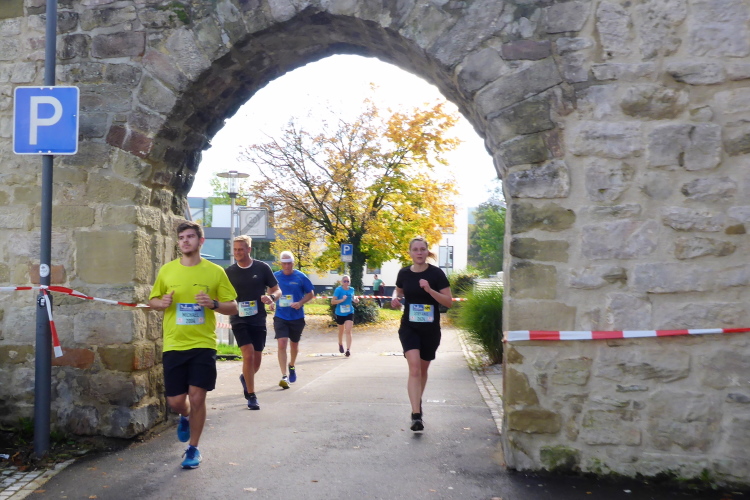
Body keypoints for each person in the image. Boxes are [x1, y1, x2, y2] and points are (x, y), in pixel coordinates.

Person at [148, 221, 238, 469]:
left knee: (198, 397)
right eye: (181, 237)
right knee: (176, 402)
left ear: (201, 241)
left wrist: (214, 304)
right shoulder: (167, 271)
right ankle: (185, 416)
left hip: (203, 343)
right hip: (174, 344)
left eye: (190, 236)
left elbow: (233, 306)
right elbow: (152, 300)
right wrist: (161, 303)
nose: (185, 241)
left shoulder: (215, 272)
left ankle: (193, 449)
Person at [391, 236, 452, 432]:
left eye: (422, 249)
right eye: (415, 249)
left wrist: (429, 289)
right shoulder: (404, 273)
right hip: (409, 327)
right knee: (415, 368)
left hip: (430, 329)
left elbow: (448, 302)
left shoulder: (436, 274)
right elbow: (399, 291)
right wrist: (395, 299)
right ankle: (416, 414)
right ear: (410, 253)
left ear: (427, 252)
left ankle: (417, 403)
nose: (419, 252)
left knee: (423, 370)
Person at [224, 235, 281, 410]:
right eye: (235, 250)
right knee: (248, 354)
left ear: (249, 249)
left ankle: (246, 377)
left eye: (241, 249)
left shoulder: (262, 268)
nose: (237, 252)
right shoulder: (229, 272)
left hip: (258, 318)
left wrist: (271, 297)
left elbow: (277, 290)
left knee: (256, 360)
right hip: (238, 318)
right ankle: (251, 395)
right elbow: (221, 294)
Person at [273, 251, 315, 389]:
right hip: (281, 315)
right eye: (284, 263)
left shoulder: (300, 277)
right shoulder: (275, 276)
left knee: (294, 345)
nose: (286, 266)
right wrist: (272, 301)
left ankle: (291, 365)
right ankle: (284, 375)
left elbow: (310, 293)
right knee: (282, 344)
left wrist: (300, 303)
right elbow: (270, 290)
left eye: (289, 263)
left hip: (296, 316)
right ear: (281, 263)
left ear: (293, 263)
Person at [331, 274, 359, 357]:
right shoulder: (338, 290)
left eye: (348, 281)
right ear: (342, 282)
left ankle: (348, 350)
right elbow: (333, 301)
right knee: (341, 331)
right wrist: (342, 300)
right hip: (340, 313)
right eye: (345, 281)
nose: (346, 282)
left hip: (349, 312)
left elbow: (353, 298)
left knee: (348, 330)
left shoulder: (352, 289)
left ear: (349, 282)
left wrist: (356, 300)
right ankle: (340, 344)